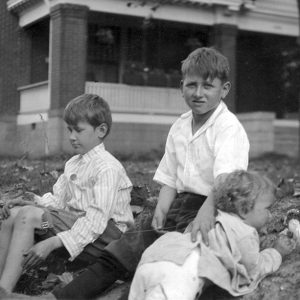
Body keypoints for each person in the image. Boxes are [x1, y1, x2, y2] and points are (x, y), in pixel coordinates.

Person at [0, 47, 250, 299]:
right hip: (179, 203)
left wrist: (206, 213)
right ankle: (57, 298)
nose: (198, 93)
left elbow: (227, 182)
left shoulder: (228, 128)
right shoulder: (181, 125)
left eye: (207, 86)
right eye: (192, 85)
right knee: (122, 250)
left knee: (176, 255)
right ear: (181, 86)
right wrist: (162, 208)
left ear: (224, 89)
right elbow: (171, 177)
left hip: (213, 205)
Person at [0, 94, 133, 295]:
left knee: (30, 216)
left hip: (106, 238)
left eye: (78, 130)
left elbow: (96, 222)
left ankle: (5, 292)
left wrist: (52, 242)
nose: (71, 136)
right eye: (69, 129)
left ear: (101, 130)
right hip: (73, 225)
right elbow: (57, 203)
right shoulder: (73, 164)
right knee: (16, 213)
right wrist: (31, 199)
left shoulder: (108, 168)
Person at [129, 170, 296, 300]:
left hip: (156, 258)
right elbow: (253, 270)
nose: (270, 215)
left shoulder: (210, 219)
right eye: (266, 209)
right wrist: (277, 252)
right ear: (244, 210)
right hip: (181, 273)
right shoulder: (246, 234)